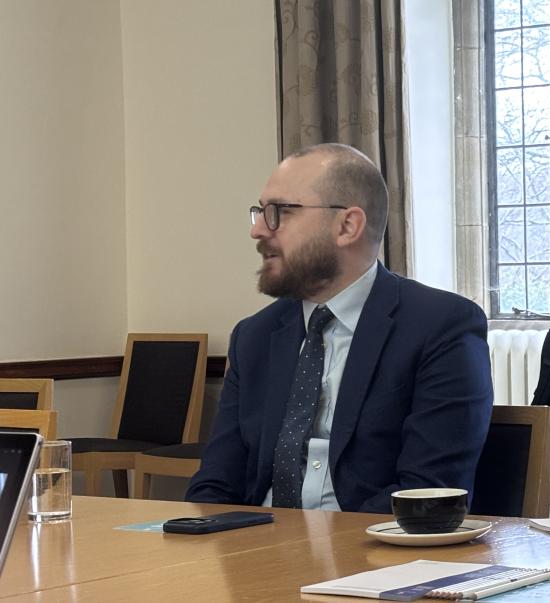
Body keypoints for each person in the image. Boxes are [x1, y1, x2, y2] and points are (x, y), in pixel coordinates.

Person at [187, 143, 493, 513]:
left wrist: (315, 548)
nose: (257, 230)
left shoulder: (440, 326)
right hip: (255, 549)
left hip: (372, 557)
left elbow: (427, 493)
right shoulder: (254, 337)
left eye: (278, 212)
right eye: (259, 212)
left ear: (347, 225)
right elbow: (216, 484)